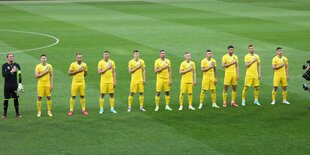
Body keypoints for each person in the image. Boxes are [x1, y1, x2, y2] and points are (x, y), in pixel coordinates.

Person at [1, 53, 23, 118]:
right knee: (6, 99)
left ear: (13, 58)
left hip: (14, 85)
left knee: (16, 99)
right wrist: (11, 71)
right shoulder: (4, 65)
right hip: (7, 85)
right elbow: (3, 75)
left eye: (12, 56)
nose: (11, 57)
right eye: (10, 56)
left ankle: (18, 113)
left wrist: (20, 84)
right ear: (7, 58)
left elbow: (19, 74)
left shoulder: (17, 65)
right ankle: (4, 114)